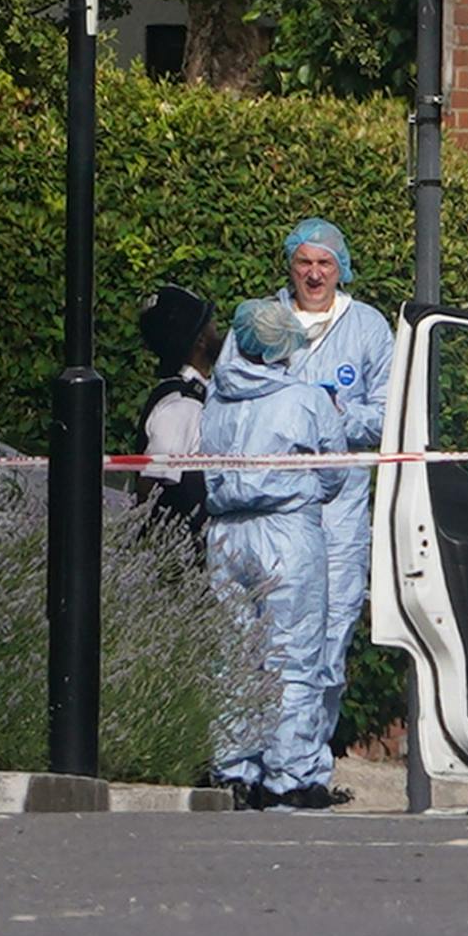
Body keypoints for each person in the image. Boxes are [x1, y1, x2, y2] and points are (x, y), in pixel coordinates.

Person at [200, 298, 348, 810]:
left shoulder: (215, 400)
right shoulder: (306, 400)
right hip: (286, 533)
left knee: (234, 655)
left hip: (225, 535)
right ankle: (290, 773)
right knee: (294, 654)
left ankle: (233, 768)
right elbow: (335, 472)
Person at [275, 218, 394, 768]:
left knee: (330, 633)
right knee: (269, 640)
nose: (314, 274)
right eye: (305, 263)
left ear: (340, 268)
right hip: (274, 508)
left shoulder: (367, 327)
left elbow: (391, 412)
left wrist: (336, 416)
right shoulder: (264, 323)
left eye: (324, 263)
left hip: (340, 512)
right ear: (290, 267)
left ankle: (306, 760)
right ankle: (267, 757)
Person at [133, 285, 218, 547]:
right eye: (211, 324)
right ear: (201, 340)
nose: (218, 330)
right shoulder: (182, 405)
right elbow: (153, 481)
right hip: (182, 553)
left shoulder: (191, 394)